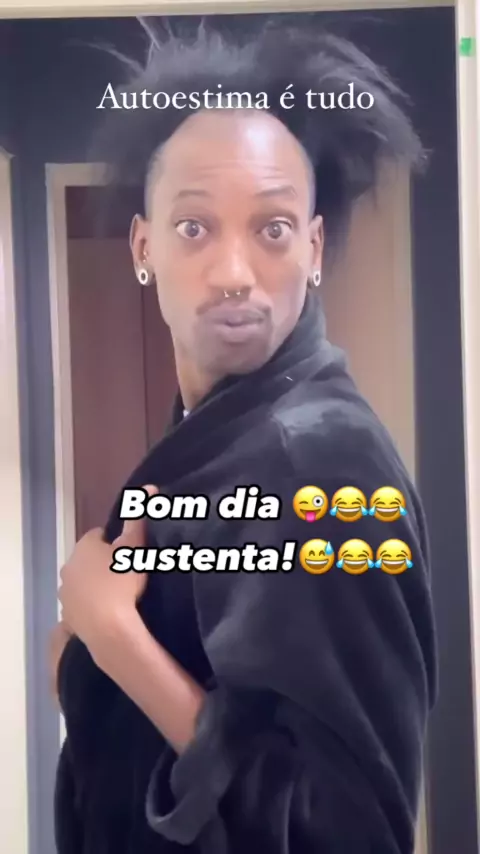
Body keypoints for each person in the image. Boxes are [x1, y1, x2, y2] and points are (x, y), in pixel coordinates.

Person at [51, 18, 437, 854]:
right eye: (195, 228)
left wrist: (115, 641)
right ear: (144, 247)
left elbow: (352, 835)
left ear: (314, 248)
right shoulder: (214, 437)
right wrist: (81, 650)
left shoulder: (320, 463)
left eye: (272, 229)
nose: (233, 273)